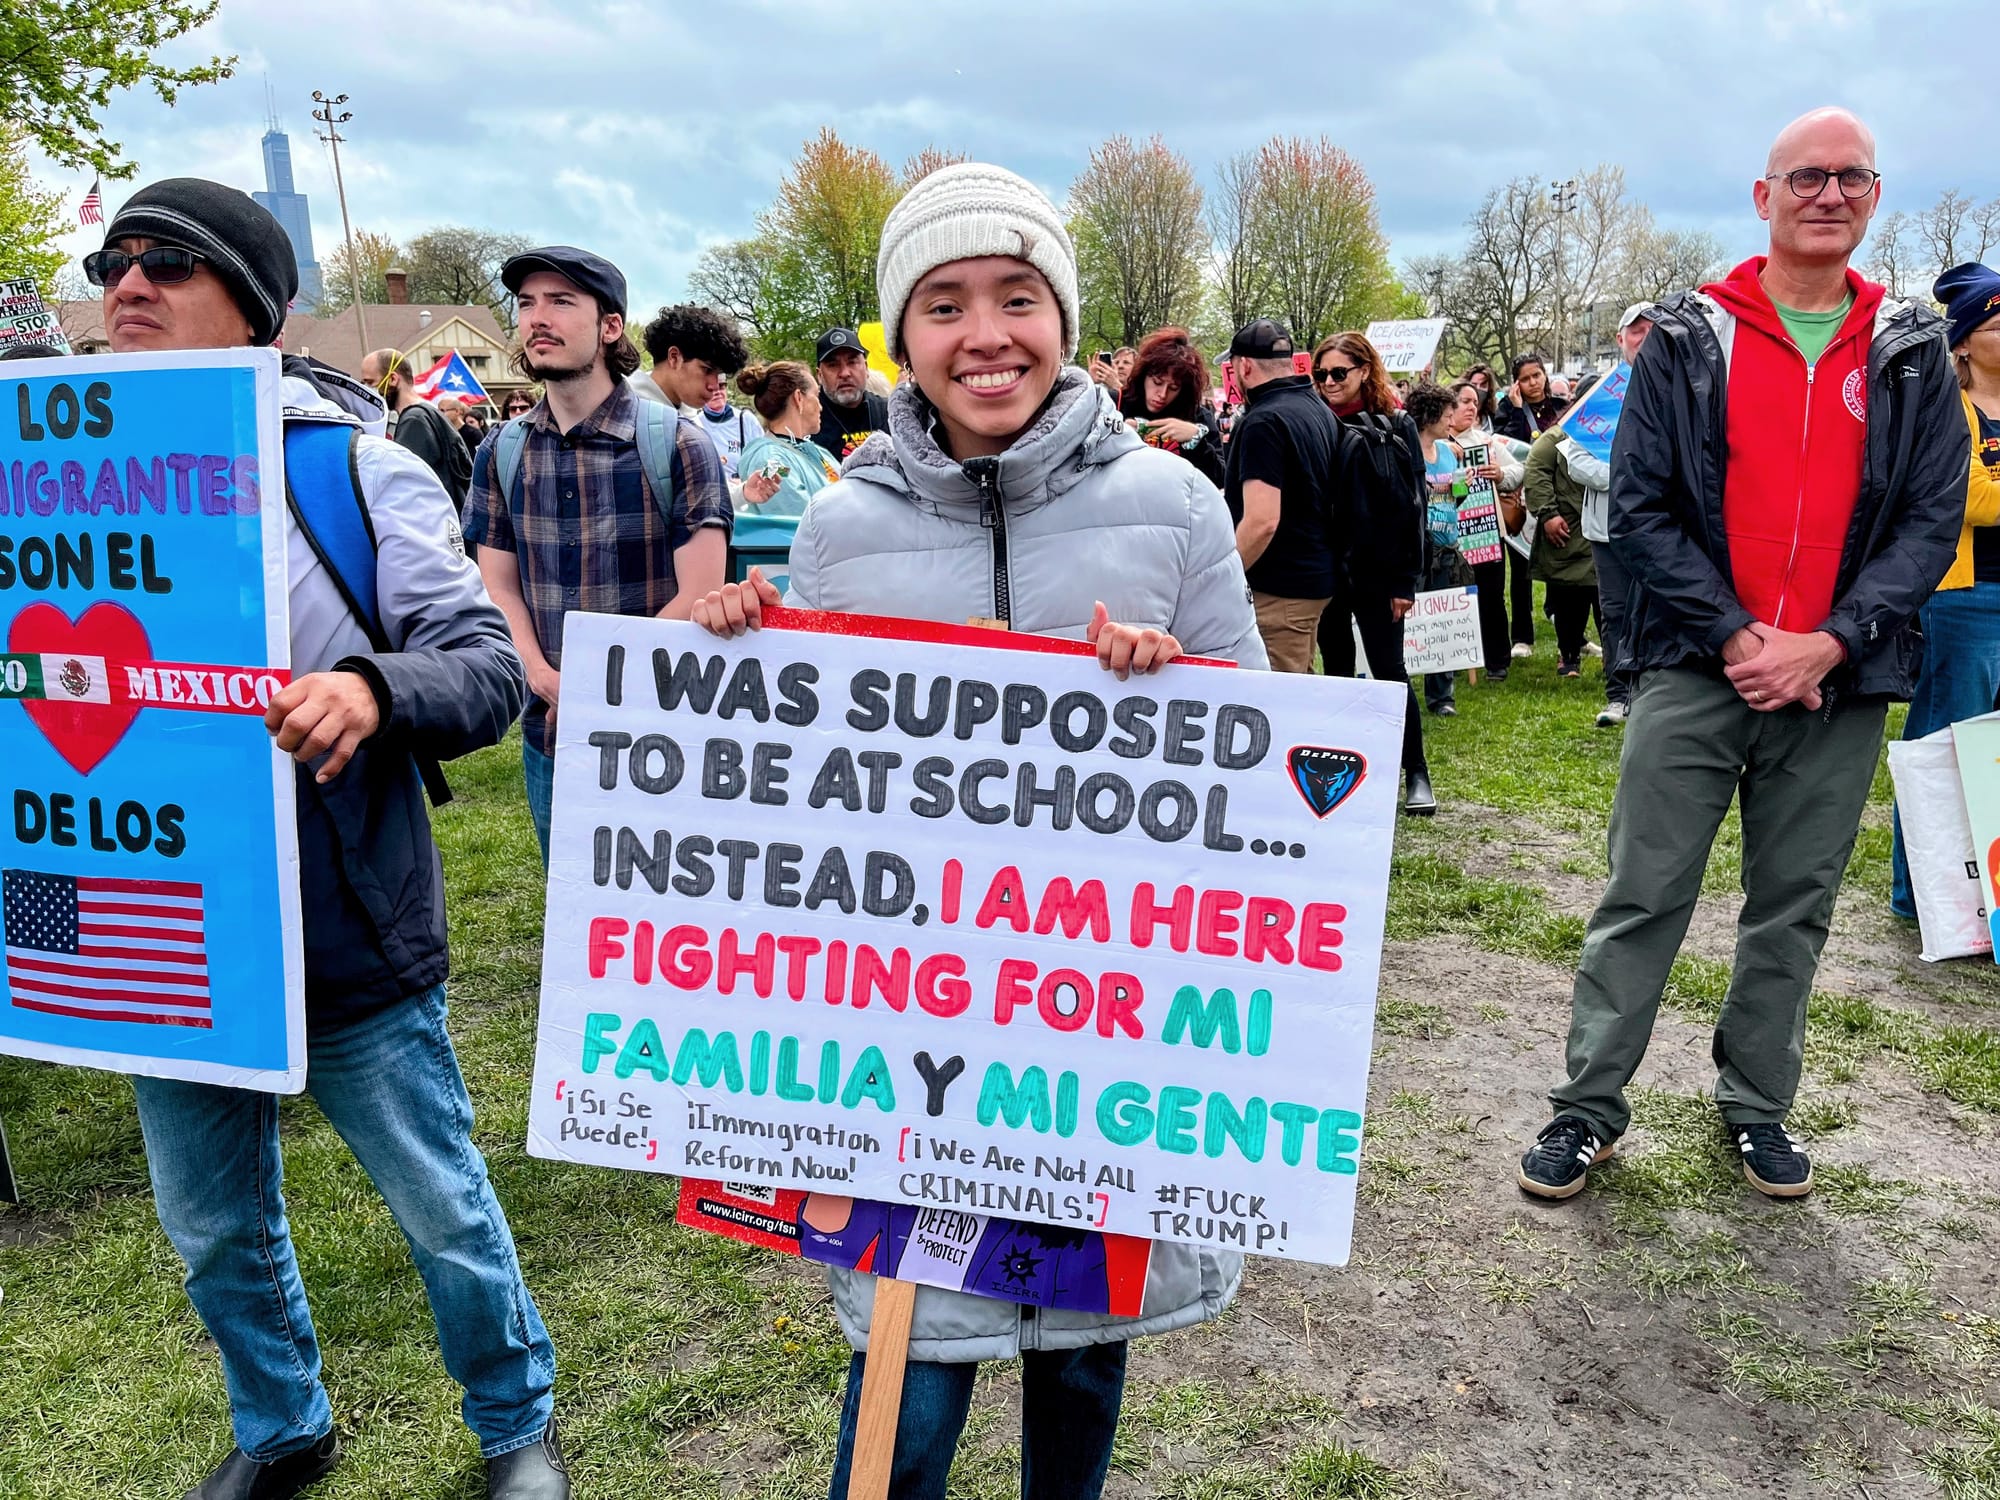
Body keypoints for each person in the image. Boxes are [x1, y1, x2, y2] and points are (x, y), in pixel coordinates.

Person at [684, 161, 1260, 1500]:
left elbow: (1265, 745)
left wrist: (1179, 690)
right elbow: (798, 782)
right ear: (903, 333)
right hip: (911, 1015)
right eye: (943, 303)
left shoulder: (1173, 505)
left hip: (1102, 999)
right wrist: (739, 656)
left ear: (1061, 316)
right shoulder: (839, 523)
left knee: (1081, 1354)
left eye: (1016, 295)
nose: (985, 332)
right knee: (912, 1371)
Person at [86, 178, 566, 1500]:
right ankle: (282, 1424)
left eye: (166, 264)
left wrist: (369, 687)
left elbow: (479, 668)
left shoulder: (351, 468)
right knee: (211, 1228)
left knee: (443, 1209)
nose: (127, 284)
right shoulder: (49, 486)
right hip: (158, 933)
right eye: (112, 259)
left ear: (254, 303)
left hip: (340, 910)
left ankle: (516, 1422)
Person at [1518, 108, 1965, 1204]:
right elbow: (1643, 504)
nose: (1826, 193)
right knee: (1642, 892)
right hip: (1692, 664)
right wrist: (1734, 635)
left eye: (1848, 176)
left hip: (1838, 681)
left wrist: (1825, 643)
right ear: (1761, 198)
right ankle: (1585, 1111)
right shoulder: (1685, 334)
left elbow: (1926, 521)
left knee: (1792, 905)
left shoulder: (1907, 349)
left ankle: (1755, 1106)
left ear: (1872, 195)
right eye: (1802, 176)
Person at [464, 248, 733, 864]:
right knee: (571, 906)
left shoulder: (679, 446)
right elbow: (498, 587)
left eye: (560, 302)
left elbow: (698, 595)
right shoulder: (502, 450)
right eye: (527, 303)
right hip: (549, 730)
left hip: (661, 728)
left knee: (673, 912)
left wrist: (597, 687)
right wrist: (541, 676)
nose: (537, 318)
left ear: (610, 327)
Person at [1889, 262, 2000, 918]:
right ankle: (1921, 897)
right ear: (1962, 341)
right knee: (1944, 750)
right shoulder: (1947, 407)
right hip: (1964, 600)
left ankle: (1988, 896)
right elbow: (1970, 496)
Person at [1308, 330, 1434, 815]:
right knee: (1336, 671)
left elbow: (1413, 505)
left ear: (1365, 370)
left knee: (1389, 671)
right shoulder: (1316, 422)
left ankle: (1416, 771)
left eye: (1339, 372)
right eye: (1320, 374)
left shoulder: (1396, 423)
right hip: (1329, 567)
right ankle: (1345, 773)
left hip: (1382, 571)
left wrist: (1407, 579)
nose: (1329, 382)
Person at [1223, 318, 1342, 674]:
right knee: (1299, 684)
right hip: (1312, 577)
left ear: (1244, 366)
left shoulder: (1263, 421)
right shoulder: (1316, 407)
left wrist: (1221, 577)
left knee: (1280, 707)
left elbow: (1262, 521)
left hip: (1280, 589)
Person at [1571, 304, 1655, 726]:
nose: (1644, 336)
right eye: (1635, 331)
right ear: (1620, 340)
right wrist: (1624, 479)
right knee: (1617, 610)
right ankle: (1619, 694)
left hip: (1664, 527)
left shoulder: (1679, 387)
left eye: (1651, 329)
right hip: (1608, 527)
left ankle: (1655, 696)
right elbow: (1575, 456)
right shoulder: (1601, 393)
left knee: (1665, 608)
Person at [1495, 352, 1561, 659]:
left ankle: (1567, 631)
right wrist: (1519, 412)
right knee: (1521, 570)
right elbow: (1506, 447)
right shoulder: (1507, 410)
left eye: (1537, 375)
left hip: (1556, 497)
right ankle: (1521, 636)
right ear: (1515, 383)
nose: (1533, 383)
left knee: (1563, 566)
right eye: (1525, 378)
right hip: (1520, 500)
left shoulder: (1561, 407)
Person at [1523, 416, 1598, 677]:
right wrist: (1548, 513)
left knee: (1609, 601)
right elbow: (1535, 471)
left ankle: (1617, 659)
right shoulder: (1556, 437)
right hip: (1568, 529)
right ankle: (1569, 657)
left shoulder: (1620, 431)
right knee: (1569, 597)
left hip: (1606, 528)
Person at [1411, 380, 1469, 717]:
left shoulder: (1448, 453)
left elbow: (1456, 495)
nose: (1452, 420)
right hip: (1418, 549)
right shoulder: (1407, 452)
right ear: (1430, 415)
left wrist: (1462, 483)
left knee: (1442, 623)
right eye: (1448, 414)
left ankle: (1442, 696)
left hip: (1447, 545)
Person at [360, 346, 471, 511]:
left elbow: (405, 485)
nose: (368, 390)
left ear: (392, 379)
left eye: (370, 382)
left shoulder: (414, 421)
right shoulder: (427, 413)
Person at [734, 359, 843, 517]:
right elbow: (802, 519)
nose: (820, 406)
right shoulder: (772, 461)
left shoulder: (816, 451)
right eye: (816, 395)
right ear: (799, 398)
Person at [1118, 325, 1224, 486]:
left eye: (1173, 388)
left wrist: (1197, 441)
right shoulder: (1117, 402)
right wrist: (1117, 436)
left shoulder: (1198, 416)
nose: (1162, 394)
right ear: (1143, 375)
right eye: (1157, 382)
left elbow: (1221, 478)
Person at [629, 301, 750, 413]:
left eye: (719, 375)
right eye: (707, 370)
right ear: (674, 358)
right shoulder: (624, 408)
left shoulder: (690, 418)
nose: (714, 386)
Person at [811, 325, 891, 459]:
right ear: (819, 375)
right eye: (833, 365)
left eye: (852, 362)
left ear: (866, 368)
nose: (845, 373)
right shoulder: (806, 421)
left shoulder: (889, 412)